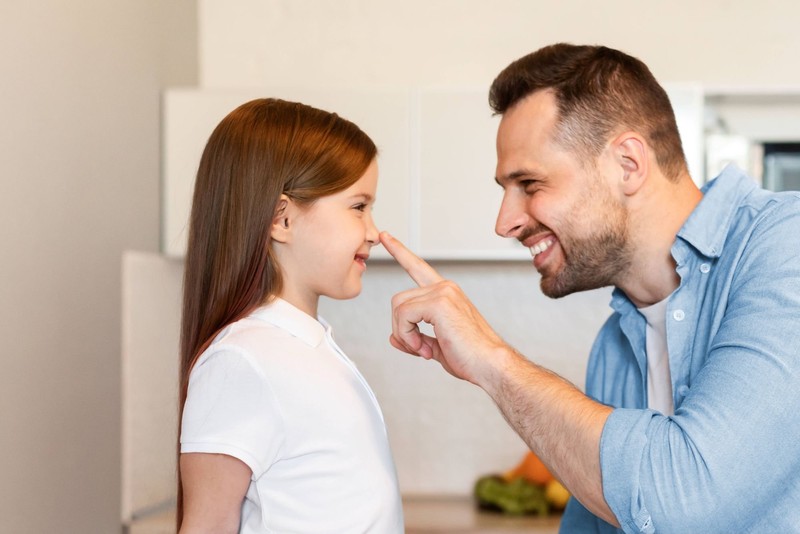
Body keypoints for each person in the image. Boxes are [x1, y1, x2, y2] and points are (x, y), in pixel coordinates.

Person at [380, 43, 800, 533]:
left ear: (627, 164)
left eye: (530, 184)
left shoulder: (783, 245)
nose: (505, 222)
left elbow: (689, 499)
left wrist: (491, 359)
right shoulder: (614, 346)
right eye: (504, 190)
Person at [177, 99, 404, 533]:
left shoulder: (308, 349)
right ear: (281, 218)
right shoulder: (242, 361)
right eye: (359, 206)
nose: (374, 232)